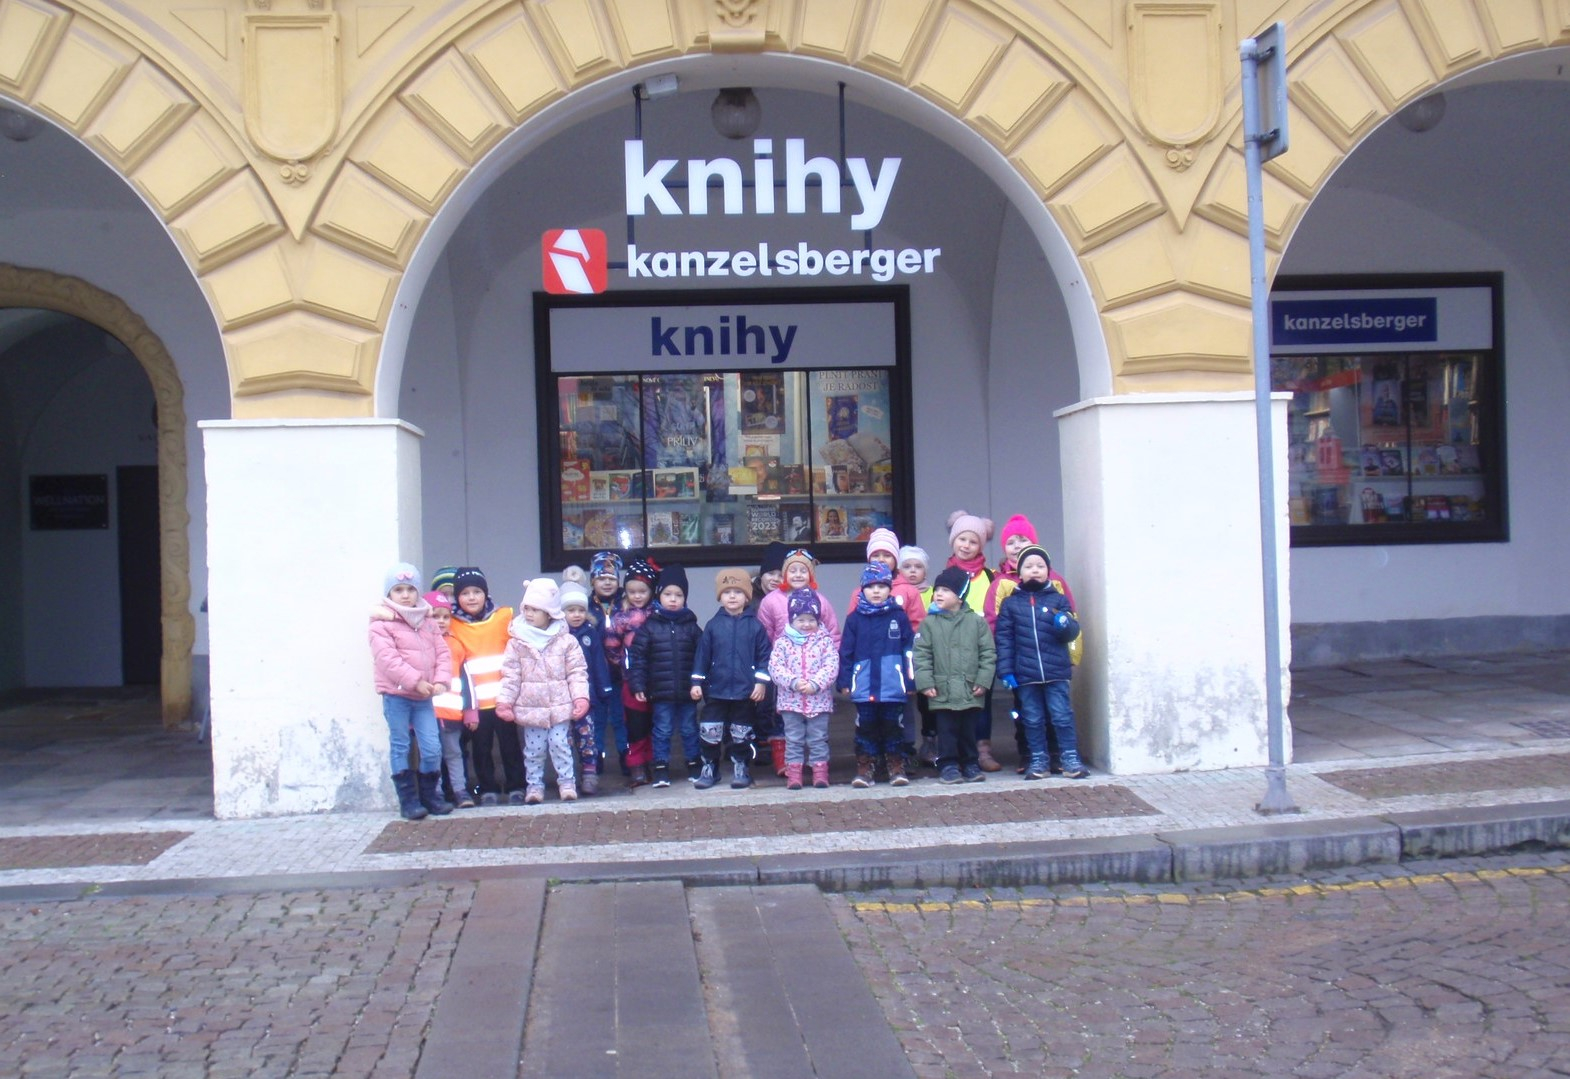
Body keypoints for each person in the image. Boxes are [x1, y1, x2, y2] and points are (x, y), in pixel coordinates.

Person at [982, 514, 1079, 773]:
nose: (1017, 546)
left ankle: (1060, 755)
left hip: (1054, 666)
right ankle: (1031, 755)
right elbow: (997, 628)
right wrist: (1005, 667)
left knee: (1059, 712)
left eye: (1022, 540)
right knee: (1027, 714)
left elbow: (1073, 622)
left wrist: (1072, 652)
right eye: (1011, 542)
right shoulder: (1003, 586)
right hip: (1023, 668)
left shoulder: (1056, 586)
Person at [368, 563, 453, 820]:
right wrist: (415, 681)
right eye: (398, 590)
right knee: (401, 745)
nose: (405, 595)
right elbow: (388, 660)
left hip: (424, 698)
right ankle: (408, 800)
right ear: (389, 594)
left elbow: (443, 652)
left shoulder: (428, 621)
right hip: (397, 697)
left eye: (410, 589)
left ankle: (430, 796)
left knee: (432, 747)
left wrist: (441, 680)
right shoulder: (380, 624)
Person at [495, 578, 590, 804]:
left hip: (559, 706)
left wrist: (580, 697)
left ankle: (566, 782)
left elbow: (577, 672)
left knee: (560, 744)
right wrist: (505, 701)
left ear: (549, 613)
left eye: (535, 609)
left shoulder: (566, 641)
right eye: (526, 608)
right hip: (532, 708)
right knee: (534, 749)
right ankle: (534, 785)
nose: (529, 614)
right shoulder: (517, 642)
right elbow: (511, 675)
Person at [447, 567, 526, 805]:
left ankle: (516, 786)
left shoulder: (503, 617)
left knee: (510, 746)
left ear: (486, 593)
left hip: (504, 699)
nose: (471, 597)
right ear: (457, 597)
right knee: (481, 749)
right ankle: (487, 788)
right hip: (476, 704)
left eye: (477, 592)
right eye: (465, 593)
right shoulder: (451, 623)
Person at [914, 565, 996, 784]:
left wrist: (983, 680)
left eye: (946, 590)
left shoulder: (977, 622)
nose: (939, 594)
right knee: (946, 730)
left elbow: (988, 653)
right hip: (942, 689)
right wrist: (925, 682)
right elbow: (921, 655)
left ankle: (970, 763)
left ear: (960, 597)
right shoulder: (929, 623)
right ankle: (948, 765)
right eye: (937, 589)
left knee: (969, 730)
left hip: (970, 687)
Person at [690, 568, 771, 789]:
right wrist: (697, 682)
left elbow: (764, 657)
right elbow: (702, 656)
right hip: (716, 690)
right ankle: (710, 768)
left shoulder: (755, 626)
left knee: (741, 733)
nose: (732, 596)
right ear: (720, 596)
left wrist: (760, 682)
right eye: (727, 592)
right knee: (710, 731)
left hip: (745, 692)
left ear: (747, 596)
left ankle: (741, 767)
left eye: (738, 591)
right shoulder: (713, 625)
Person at [838, 562, 915, 788]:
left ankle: (896, 766)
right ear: (863, 590)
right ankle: (866, 767)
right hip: (864, 685)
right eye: (871, 587)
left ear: (889, 588)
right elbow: (846, 652)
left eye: (881, 586)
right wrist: (844, 680)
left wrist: (910, 681)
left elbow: (909, 651)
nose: (876, 591)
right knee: (866, 728)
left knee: (893, 727)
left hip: (893, 684)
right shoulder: (854, 619)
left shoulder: (898, 616)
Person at [628, 563, 703, 788]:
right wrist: (638, 685)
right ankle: (661, 768)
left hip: (687, 691)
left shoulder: (692, 627)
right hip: (660, 692)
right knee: (662, 730)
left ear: (685, 598)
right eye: (668, 594)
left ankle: (694, 764)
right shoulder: (649, 627)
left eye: (678, 595)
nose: (673, 599)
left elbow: (702, 658)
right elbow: (638, 658)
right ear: (659, 596)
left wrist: (700, 684)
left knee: (689, 729)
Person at [943, 510, 1002, 772]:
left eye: (973, 541)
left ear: (981, 545)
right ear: (953, 541)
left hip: (982, 650)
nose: (966, 545)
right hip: (952, 651)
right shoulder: (946, 576)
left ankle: (982, 750)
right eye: (962, 539)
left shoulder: (990, 577)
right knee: (952, 703)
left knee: (982, 701)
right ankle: (956, 752)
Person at [768, 589, 840, 790]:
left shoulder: (825, 641)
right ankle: (794, 774)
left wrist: (816, 683)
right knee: (793, 739)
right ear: (792, 620)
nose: (806, 624)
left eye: (811, 620)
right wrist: (793, 682)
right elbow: (775, 667)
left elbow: (831, 665)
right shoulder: (782, 642)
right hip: (790, 702)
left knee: (818, 739)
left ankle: (820, 773)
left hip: (819, 701)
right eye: (801, 620)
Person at [560, 574, 615, 796]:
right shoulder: (557, 635)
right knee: (564, 740)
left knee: (587, 737)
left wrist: (604, 688)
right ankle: (568, 776)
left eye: (581, 610)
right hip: (562, 698)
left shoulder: (590, 633)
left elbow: (599, 663)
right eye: (571, 610)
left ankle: (589, 773)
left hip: (587, 696)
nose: (576, 615)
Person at [606, 555, 658, 785]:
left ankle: (655, 761)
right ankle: (637, 764)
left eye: (642, 591)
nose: (637, 596)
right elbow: (611, 645)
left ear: (651, 591)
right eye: (632, 591)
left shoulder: (658, 614)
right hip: (631, 680)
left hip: (658, 677)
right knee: (635, 723)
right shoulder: (621, 618)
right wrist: (623, 665)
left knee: (656, 722)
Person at [425, 590, 476, 808]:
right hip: (427, 714)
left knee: (454, 753)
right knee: (431, 755)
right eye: (435, 616)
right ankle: (434, 793)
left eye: (446, 617)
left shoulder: (456, 644)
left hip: (452, 713)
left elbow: (467, 681)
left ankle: (460, 791)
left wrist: (471, 711)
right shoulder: (420, 645)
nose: (441, 621)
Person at [586, 551, 630, 774]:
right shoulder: (586, 607)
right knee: (598, 718)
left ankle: (625, 754)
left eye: (611, 578)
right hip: (595, 674)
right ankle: (597, 756)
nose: (606, 583)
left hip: (621, 673)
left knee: (621, 717)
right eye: (601, 578)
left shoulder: (626, 604)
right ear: (592, 581)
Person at [898, 544, 939, 767]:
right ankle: (905, 748)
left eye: (918, 566)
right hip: (903, 655)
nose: (913, 571)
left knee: (927, 701)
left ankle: (930, 741)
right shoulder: (895, 593)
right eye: (907, 566)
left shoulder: (934, 594)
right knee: (904, 703)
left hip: (928, 655)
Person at [750, 542, 789, 772]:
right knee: (758, 702)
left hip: (782, 660)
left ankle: (774, 743)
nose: (775, 579)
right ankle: (758, 741)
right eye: (770, 573)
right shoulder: (749, 598)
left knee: (776, 704)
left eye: (780, 574)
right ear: (761, 574)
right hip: (755, 659)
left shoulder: (789, 597)